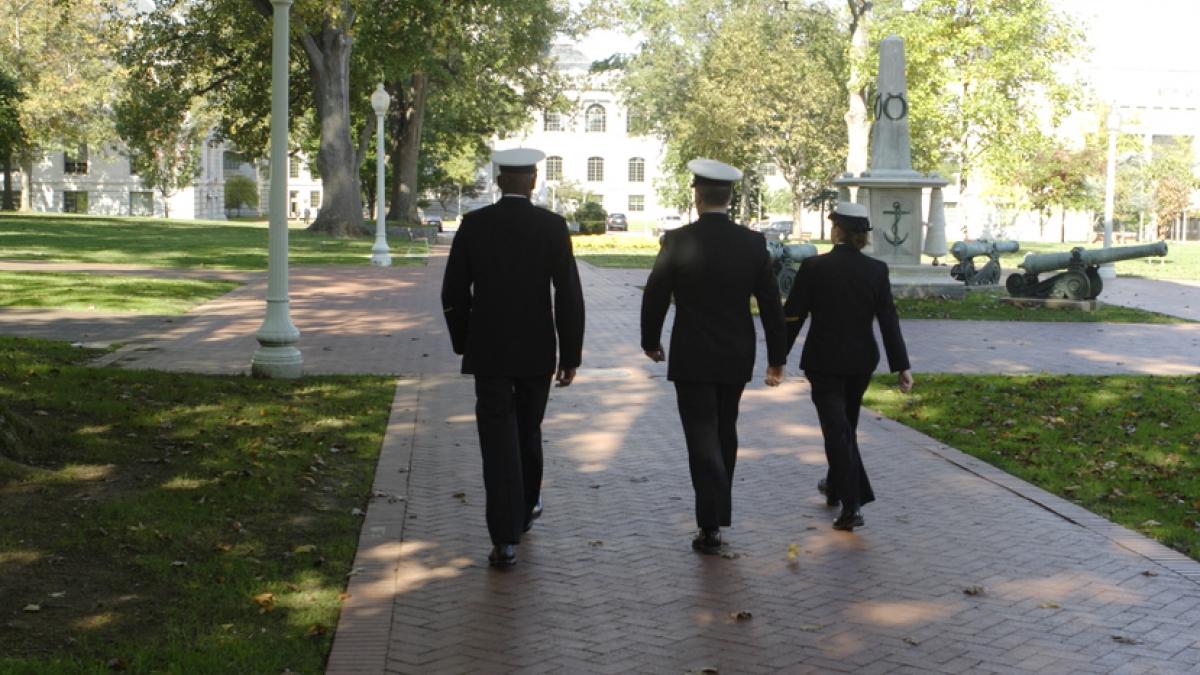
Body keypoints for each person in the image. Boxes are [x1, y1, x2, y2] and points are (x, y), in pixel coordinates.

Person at [441, 147, 585, 568]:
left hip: (489, 351)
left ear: (500, 180)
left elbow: (453, 293)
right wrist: (570, 353)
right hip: (537, 350)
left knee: (497, 442)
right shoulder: (553, 227)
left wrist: (464, 341)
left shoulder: (475, 225)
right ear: (534, 180)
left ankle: (504, 540)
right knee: (528, 431)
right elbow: (569, 295)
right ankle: (521, 515)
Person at [641, 158, 787, 554]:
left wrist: (650, 340)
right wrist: (777, 357)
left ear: (697, 195)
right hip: (736, 352)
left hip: (692, 353)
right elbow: (771, 303)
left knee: (701, 436)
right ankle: (717, 512)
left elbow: (656, 293)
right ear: (730, 197)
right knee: (725, 430)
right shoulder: (753, 243)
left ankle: (710, 522)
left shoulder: (677, 240)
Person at [782, 201, 913, 532]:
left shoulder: (813, 267)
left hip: (823, 362)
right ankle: (836, 484)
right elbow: (888, 320)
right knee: (845, 427)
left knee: (836, 431)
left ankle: (852, 504)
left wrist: (777, 357)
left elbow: (794, 315)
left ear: (836, 230)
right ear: (862, 237)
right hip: (861, 362)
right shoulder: (876, 270)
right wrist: (901, 365)